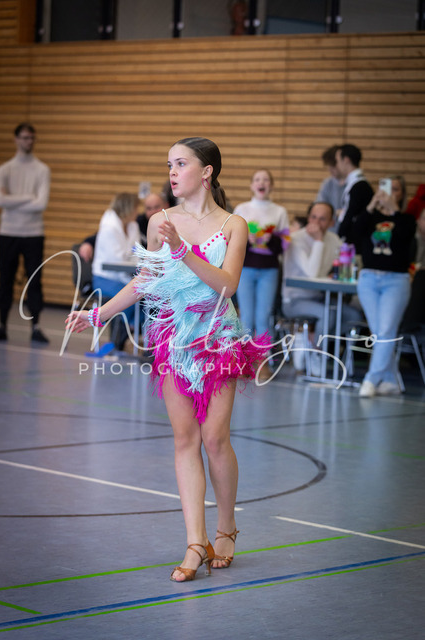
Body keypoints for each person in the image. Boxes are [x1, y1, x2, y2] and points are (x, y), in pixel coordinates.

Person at [66, 137, 270, 583]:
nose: (172, 172)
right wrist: (98, 314)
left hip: (218, 340)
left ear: (207, 171)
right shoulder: (160, 220)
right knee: (184, 440)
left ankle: (226, 526)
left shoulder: (234, 224)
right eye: (169, 164)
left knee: (215, 438)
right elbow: (146, 279)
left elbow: (227, 285)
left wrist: (183, 252)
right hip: (174, 341)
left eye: (181, 164)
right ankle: (195, 541)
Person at [353, 178, 417, 397]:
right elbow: (354, 233)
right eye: (386, 188)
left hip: (395, 280)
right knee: (379, 332)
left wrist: (394, 210)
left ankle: (371, 379)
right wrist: (371, 206)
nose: (389, 192)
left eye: (395, 189)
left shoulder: (406, 219)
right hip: (369, 279)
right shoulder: (370, 217)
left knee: (386, 330)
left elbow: (406, 236)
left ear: (401, 194)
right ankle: (390, 380)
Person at [233, 169, 289, 379]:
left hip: (269, 269)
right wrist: (248, 240)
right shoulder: (242, 209)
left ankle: (263, 360)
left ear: (271, 185)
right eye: (257, 179)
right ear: (252, 185)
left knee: (263, 316)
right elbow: (233, 240)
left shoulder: (279, 211)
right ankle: (244, 360)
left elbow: (285, 243)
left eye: (266, 179)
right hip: (246, 268)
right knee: (246, 316)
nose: (261, 182)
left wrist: (269, 240)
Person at [0, 123, 51, 343]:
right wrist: (29, 197)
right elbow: (0, 200)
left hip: (33, 233)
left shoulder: (42, 170)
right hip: (8, 232)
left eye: (31, 138)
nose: (28, 141)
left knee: (34, 281)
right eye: (24, 137)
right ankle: (2, 324)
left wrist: (12, 200)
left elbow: (41, 204)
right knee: (5, 279)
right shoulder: (5, 169)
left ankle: (36, 326)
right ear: (16, 139)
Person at [283, 201, 362, 344]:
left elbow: (349, 261)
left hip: (320, 298)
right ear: (308, 218)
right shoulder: (296, 239)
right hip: (294, 300)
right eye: (313, 217)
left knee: (353, 316)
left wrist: (338, 271)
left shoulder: (333, 239)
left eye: (322, 219)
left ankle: (313, 339)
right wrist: (318, 240)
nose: (316, 223)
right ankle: (316, 351)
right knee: (328, 315)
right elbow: (312, 273)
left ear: (331, 222)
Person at [91, 192, 140, 328]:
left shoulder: (132, 226)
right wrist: (131, 256)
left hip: (125, 276)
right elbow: (117, 260)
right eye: (135, 208)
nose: (137, 212)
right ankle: (120, 334)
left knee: (146, 298)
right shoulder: (109, 227)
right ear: (128, 208)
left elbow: (136, 250)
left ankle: (129, 329)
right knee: (131, 298)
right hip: (105, 279)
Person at [78, 192, 168, 262]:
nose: (153, 212)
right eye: (149, 208)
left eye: (157, 207)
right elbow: (101, 236)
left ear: (166, 205)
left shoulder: (133, 225)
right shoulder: (138, 221)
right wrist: (88, 243)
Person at [334, 143, 374, 244]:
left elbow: (353, 216)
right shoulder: (355, 183)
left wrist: (341, 234)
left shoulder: (359, 185)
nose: (337, 165)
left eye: (338, 161)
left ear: (346, 160)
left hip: (356, 243)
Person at [315, 145, 345, 228]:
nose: (330, 170)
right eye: (329, 167)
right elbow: (319, 206)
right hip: (330, 229)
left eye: (333, 167)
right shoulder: (328, 183)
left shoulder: (353, 184)